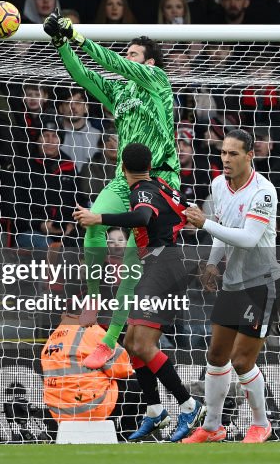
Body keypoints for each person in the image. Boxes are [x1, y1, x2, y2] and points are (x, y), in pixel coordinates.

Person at [43, 13, 179, 369]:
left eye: (133, 54)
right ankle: (92, 296)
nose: (127, 58)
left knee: (134, 257)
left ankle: (109, 338)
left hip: (159, 180)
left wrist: (81, 39)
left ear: (148, 62)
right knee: (92, 224)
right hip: (125, 178)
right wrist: (62, 43)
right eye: (128, 53)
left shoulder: (157, 80)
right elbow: (82, 75)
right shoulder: (119, 90)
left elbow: (114, 63)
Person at [73, 143, 205, 442]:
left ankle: (189, 405)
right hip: (157, 265)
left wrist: (99, 218)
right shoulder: (161, 185)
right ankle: (155, 410)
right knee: (132, 343)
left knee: (144, 346)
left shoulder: (140, 191)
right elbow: (185, 211)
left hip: (161, 266)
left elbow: (143, 217)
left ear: (122, 167)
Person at [182, 129, 280, 444]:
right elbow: (222, 233)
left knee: (242, 361)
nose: (225, 159)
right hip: (233, 283)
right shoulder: (217, 185)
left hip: (262, 285)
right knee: (216, 355)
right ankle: (212, 428)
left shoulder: (263, 192)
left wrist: (204, 223)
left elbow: (249, 238)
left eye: (233, 154)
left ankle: (261, 424)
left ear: (249, 155)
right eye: (223, 153)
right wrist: (213, 263)